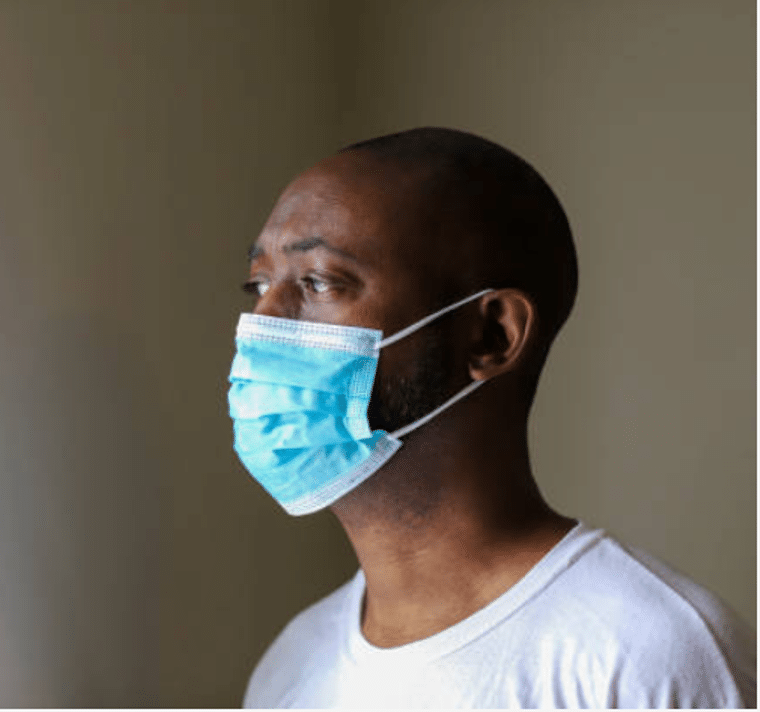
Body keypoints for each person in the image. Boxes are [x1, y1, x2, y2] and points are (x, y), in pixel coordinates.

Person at [227, 127, 755, 708]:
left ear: (491, 335)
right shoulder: (291, 666)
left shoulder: (647, 657)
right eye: (258, 284)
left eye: (319, 281)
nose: (261, 323)